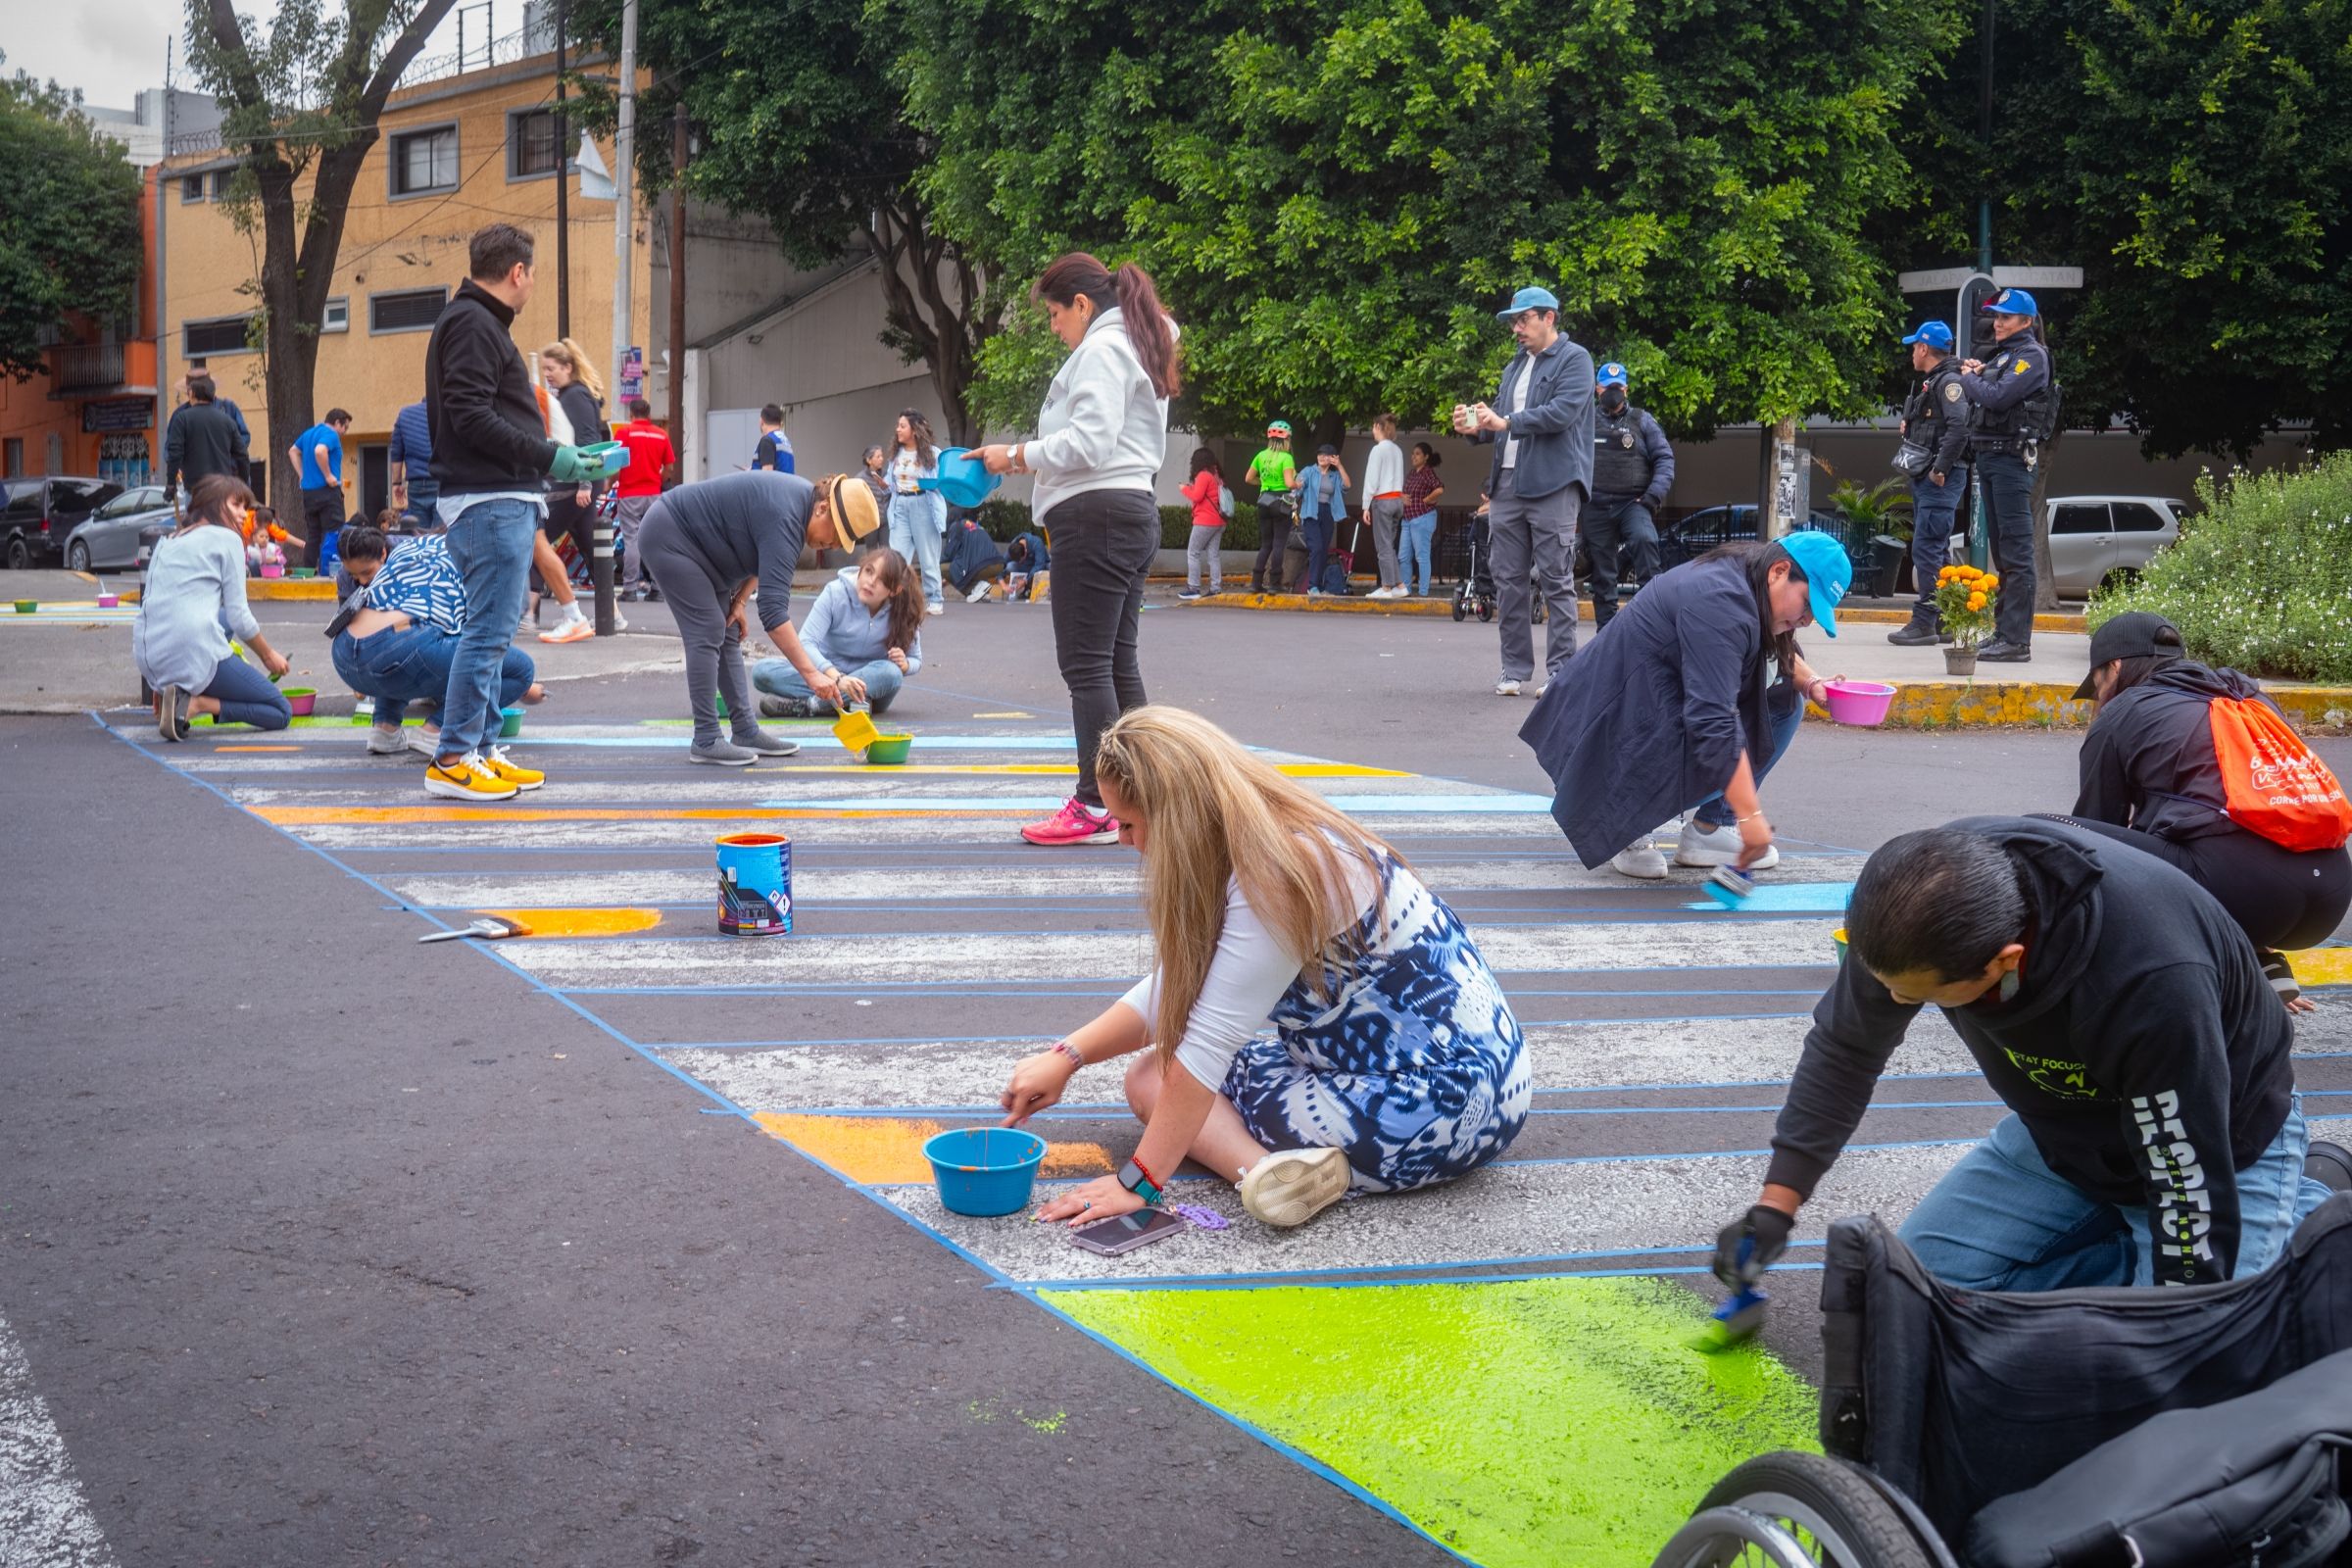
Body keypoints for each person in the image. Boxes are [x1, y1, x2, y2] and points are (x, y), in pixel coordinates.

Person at [1713, 817, 2344, 1297]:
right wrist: (1776, 1206)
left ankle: (2310, 1223)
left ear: (2005, 960)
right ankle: (2144, 1251)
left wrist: (2176, 1317)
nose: (1894, 1001)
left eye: (1916, 995)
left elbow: (2184, 1176)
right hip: (2064, 1137)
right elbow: (1845, 1050)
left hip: (2219, 1139)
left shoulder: (2147, 976)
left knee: (2199, 1360)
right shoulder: (1911, 901)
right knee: (1915, 1299)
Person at [998, 707, 1530, 1230]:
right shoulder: (1282, 834)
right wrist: (1068, 1056)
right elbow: (1188, 988)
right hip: (1485, 1082)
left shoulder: (1274, 874)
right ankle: (1285, 1173)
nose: (1123, 839)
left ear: (1177, 814)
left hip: (1435, 1105)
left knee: (1158, 1081)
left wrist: (1137, 1182)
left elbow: (1207, 1040)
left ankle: (1265, 1176)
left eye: (1131, 823)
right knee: (1152, 1075)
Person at [970, 253, 1180, 847]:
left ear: (1083, 305)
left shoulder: (1103, 350)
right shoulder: (1137, 344)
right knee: (1116, 662)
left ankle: (1096, 804)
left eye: (1056, 315)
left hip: (1096, 514)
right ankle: (1145, 799)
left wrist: (1015, 455)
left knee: (1087, 666)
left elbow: (1088, 442)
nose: (1055, 328)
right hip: (1128, 512)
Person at [1521, 533, 1852, 880]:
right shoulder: (1721, 601)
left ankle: (1712, 828)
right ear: (1779, 572)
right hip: (1607, 717)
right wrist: (1751, 817)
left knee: (1783, 704)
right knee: (1706, 722)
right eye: (1808, 604)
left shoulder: (1752, 576)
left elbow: (1777, 651)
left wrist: (1814, 684)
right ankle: (1625, 826)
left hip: (1653, 696)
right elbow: (1713, 719)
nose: (1807, 620)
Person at [422, 221, 615, 804]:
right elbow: (472, 416)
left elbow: (474, 411)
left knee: (495, 632)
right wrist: (552, 455)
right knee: (486, 633)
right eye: (531, 275)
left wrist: (551, 459)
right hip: (488, 497)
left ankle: (476, 750)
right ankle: (454, 756)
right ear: (518, 273)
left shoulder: (472, 322)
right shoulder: (474, 323)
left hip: (494, 497)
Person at [2070, 612, 2352, 1009]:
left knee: (2061, 831)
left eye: (2096, 684)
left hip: (2245, 893)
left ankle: (2148, 978)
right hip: (2332, 893)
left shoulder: (2123, 711)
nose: (2098, 697)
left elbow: (2097, 835)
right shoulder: (2250, 699)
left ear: (2114, 667)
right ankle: (2257, 960)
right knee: (2197, 828)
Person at [635, 469, 869, 764]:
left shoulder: (798, 509)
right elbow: (773, 613)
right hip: (671, 536)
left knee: (728, 629)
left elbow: (761, 558)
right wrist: (811, 674)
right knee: (707, 630)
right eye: (836, 536)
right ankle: (706, 738)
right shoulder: (787, 517)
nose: (834, 546)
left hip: (708, 553)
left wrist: (741, 600)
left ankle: (745, 730)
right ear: (823, 509)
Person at [1452, 285, 1594, 696]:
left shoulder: (1576, 359)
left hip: (1553, 484)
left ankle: (1561, 672)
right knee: (1508, 579)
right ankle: (1513, 671)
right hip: (1507, 485)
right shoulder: (1515, 365)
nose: (1516, 328)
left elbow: (1561, 414)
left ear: (1549, 317)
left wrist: (1506, 421)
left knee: (1555, 578)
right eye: (1513, 321)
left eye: (1523, 319)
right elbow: (1498, 424)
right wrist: (1473, 427)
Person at [332, 521, 542, 758]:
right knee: (522, 669)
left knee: (403, 648)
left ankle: (385, 728)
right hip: (403, 650)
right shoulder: (473, 556)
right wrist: (521, 685)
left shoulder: (407, 548)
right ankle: (437, 729)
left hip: (344, 653)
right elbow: (478, 642)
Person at [135, 474, 292, 739]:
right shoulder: (227, 539)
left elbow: (154, 604)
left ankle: (172, 692)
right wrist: (268, 656)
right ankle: (197, 704)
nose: (244, 514)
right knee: (280, 711)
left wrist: (159, 681)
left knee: (221, 620)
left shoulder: (169, 540)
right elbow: (240, 616)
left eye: (246, 507)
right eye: (237, 505)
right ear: (212, 504)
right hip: (192, 650)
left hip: (149, 654)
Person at [1957, 287, 2053, 663]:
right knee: (2003, 553)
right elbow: (1991, 391)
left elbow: (1996, 398)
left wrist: (1969, 379)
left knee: (2015, 552)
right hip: (1992, 459)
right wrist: (1980, 375)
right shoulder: (2005, 357)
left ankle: (2016, 642)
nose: (1997, 323)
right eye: (1995, 316)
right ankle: (2003, 634)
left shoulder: (2032, 356)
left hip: (2011, 461)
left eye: (2006, 317)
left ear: (2027, 322)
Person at [754, 545, 925, 717]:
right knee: (762, 671)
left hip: (869, 682)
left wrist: (905, 665)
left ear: (894, 590)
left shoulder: (904, 609)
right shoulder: (835, 592)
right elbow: (806, 642)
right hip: (828, 675)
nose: (871, 582)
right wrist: (838, 679)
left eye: (882, 580)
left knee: (891, 673)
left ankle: (810, 705)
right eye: (869, 571)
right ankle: (849, 704)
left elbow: (916, 660)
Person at [1884, 322, 1975, 646]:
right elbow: (1939, 426)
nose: (1911, 352)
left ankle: (1923, 623)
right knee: (1936, 550)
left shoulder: (1949, 382)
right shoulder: (1935, 382)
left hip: (1939, 479)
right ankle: (1945, 620)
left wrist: (1940, 468)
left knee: (1927, 549)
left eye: (1913, 347)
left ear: (1924, 348)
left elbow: (1960, 428)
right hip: (1929, 477)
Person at [1582, 363, 1675, 630]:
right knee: (1603, 573)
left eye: (1618, 387)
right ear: (1597, 389)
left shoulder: (1643, 420)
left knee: (1646, 540)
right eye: (1607, 387)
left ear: (1626, 388)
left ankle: (1653, 620)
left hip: (1632, 503)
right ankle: (1607, 633)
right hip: (1595, 504)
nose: (1613, 392)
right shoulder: (1584, 420)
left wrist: (1652, 497)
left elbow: (1665, 459)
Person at [534, 339, 609, 641]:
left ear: (568, 367)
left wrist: (585, 483)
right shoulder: (576, 393)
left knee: (535, 538)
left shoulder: (574, 396)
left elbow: (587, 440)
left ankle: (533, 612)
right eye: (544, 369)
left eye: (551, 368)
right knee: (589, 543)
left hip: (574, 481)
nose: (547, 374)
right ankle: (610, 613)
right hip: (578, 480)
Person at [610, 397, 674, 601]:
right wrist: (658, 480)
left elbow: (615, 466)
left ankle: (629, 589)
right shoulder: (661, 435)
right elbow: (669, 467)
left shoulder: (624, 433)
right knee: (655, 540)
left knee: (632, 540)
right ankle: (658, 588)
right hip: (654, 495)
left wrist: (612, 482)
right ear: (649, 414)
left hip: (629, 494)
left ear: (631, 414)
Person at [886, 410, 947, 614]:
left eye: (902, 426)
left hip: (924, 503)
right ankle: (898, 599)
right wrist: (881, 484)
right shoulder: (896, 454)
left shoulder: (933, 453)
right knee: (897, 556)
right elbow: (889, 481)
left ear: (915, 430)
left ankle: (934, 599)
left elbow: (942, 481)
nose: (898, 430)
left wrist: (933, 483)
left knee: (928, 555)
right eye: (898, 426)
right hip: (900, 504)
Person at [161, 375, 248, 504]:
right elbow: (242, 455)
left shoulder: (182, 419)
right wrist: (242, 483)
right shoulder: (227, 421)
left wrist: (170, 484)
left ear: (193, 393)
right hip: (222, 490)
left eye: (189, 390)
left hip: (196, 491)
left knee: (198, 523)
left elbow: (174, 454)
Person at [285, 408, 352, 569]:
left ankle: (308, 570)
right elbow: (320, 451)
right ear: (337, 423)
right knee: (333, 532)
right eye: (345, 427)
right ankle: (330, 570)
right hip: (328, 492)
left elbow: (293, 451)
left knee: (313, 534)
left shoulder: (309, 433)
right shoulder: (331, 435)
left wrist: (302, 475)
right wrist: (328, 475)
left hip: (309, 493)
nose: (345, 432)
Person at [1245, 420, 1298, 595]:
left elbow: (1248, 479)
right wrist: (1298, 484)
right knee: (1278, 544)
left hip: (1263, 499)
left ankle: (1256, 582)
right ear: (1286, 439)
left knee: (1265, 544)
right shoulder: (1286, 457)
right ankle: (1275, 584)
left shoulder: (1261, 456)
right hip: (1281, 501)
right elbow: (1290, 483)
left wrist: (1263, 482)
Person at [1359, 413, 1407, 599]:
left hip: (1383, 500)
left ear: (1379, 427)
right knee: (1390, 545)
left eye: (1373, 426)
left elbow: (1371, 480)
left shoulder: (1378, 450)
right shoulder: (1397, 450)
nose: (1372, 430)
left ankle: (1386, 587)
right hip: (1397, 500)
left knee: (1383, 546)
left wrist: (1365, 505)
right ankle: (1400, 585)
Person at [1294, 444, 1349, 596]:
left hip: (1327, 513)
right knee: (1316, 548)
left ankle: (1318, 586)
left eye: (1327, 455)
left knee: (1323, 550)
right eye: (1320, 454)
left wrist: (1340, 466)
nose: (1322, 457)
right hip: (1311, 512)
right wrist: (1292, 507)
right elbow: (1296, 489)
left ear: (1333, 458)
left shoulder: (1334, 475)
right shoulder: (1308, 471)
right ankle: (1312, 586)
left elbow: (1347, 485)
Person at [1177, 447, 1227, 600]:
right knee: (1213, 556)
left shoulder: (1203, 475)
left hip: (1205, 521)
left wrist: (1184, 489)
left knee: (1193, 553)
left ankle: (1193, 588)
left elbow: (1197, 496)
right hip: (1219, 521)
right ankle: (1216, 588)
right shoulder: (1216, 476)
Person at [1397, 443, 1445, 598]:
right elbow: (1404, 492)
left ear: (1426, 457)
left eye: (1417, 454)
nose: (1413, 456)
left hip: (1422, 518)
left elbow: (1439, 488)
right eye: (1413, 453)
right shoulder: (1411, 473)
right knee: (1403, 556)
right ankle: (1406, 590)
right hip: (1408, 519)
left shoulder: (1427, 472)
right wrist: (1401, 496)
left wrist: (1427, 499)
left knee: (1421, 556)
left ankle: (1423, 592)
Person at [389, 397, 438, 529]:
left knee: (419, 534)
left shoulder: (405, 414)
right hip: (441, 482)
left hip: (416, 486)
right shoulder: (444, 412)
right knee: (442, 536)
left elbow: (396, 452)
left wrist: (397, 483)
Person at [941, 513, 1007, 603]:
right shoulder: (976, 526)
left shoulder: (955, 526)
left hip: (982, 566)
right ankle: (984, 593)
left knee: (942, 568)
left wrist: (941, 570)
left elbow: (949, 553)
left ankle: (973, 590)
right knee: (970, 566)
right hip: (998, 564)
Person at [1004, 529, 1048, 601]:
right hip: (1026, 569)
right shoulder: (1013, 546)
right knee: (1010, 566)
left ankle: (1033, 589)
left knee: (1051, 566)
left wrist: (1025, 580)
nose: (1020, 562)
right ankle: (1025, 590)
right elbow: (1001, 564)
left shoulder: (1037, 542)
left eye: (1021, 560)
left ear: (1026, 551)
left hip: (1041, 568)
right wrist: (1003, 585)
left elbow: (1040, 565)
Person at [751, 405, 795, 473]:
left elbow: (767, 474)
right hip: (787, 483)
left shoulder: (767, 441)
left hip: (774, 484)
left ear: (761, 422)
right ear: (780, 423)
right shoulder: (785, 441)